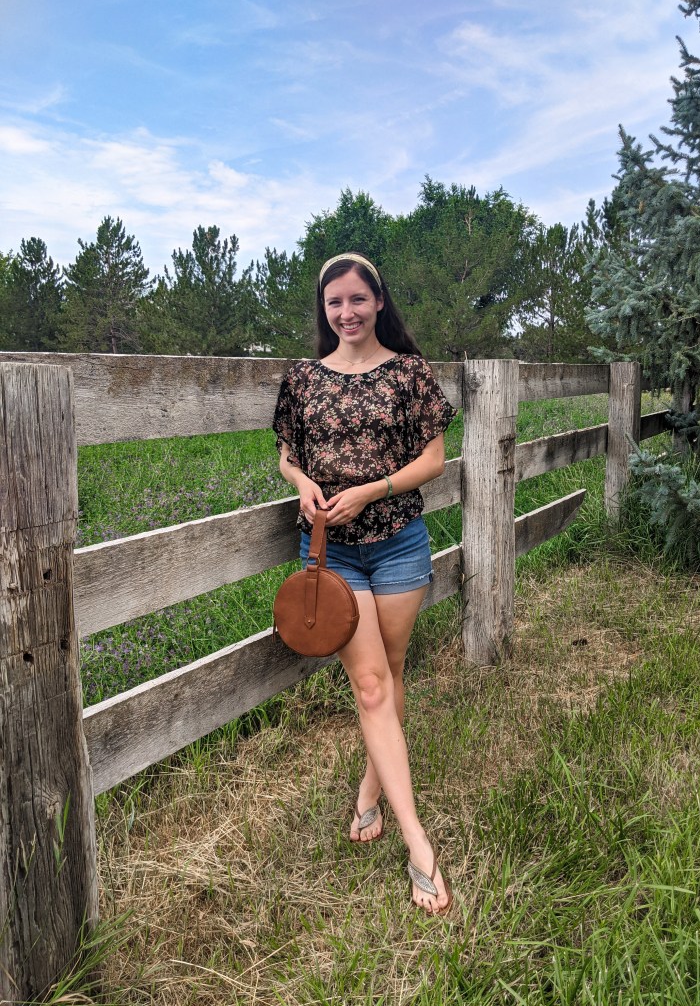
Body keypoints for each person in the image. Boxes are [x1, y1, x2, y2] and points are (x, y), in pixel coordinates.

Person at [273, 252, 456, 916]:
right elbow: (287, 454)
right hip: (333, 557)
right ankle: (419, 847)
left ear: (378, 301)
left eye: (356, 299)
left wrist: (372, 489)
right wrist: (306, 486)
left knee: (395, 670)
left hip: (400, 543)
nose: (345, 313)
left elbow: (433, 459)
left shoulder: (410, 373)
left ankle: (370, 796)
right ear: (323, 312)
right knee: (372, 684)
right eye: (333, 304)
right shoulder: (301, 379)